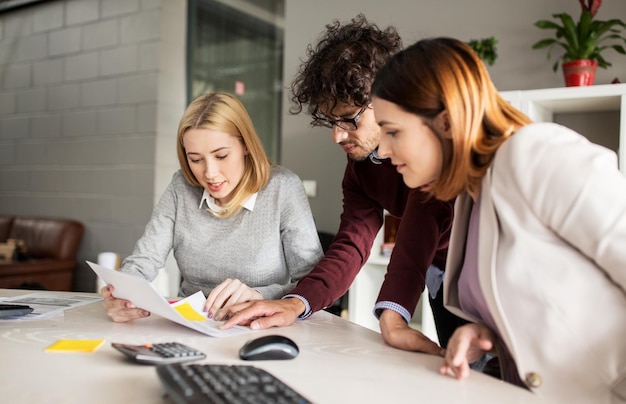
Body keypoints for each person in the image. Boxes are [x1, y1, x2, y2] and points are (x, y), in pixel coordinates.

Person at [371, 37, 626, 402]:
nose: (382, 149)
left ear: (445, 121)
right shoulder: (471, 198)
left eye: (393, 131)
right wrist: (486, 333)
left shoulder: (533, 153)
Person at [218, 15, 461, 356]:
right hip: (438, 274)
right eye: (330, 122)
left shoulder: (432, 146)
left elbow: (424, 220)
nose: (337, 136)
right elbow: (351, 244)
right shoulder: (360, 167)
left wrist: (392, 315)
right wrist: (296, 303)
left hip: (476, 269)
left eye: (349, 120)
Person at [101, 92, 323, 322]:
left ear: (246, 145)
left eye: (221, 155)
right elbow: (143, 261)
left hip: (260, 326)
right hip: (191, 326)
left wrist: (260, 296)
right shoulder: (181, 187)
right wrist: (122, 294)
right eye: (196, 159)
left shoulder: (283, 188)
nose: (210, 173)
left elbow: (314, 282)